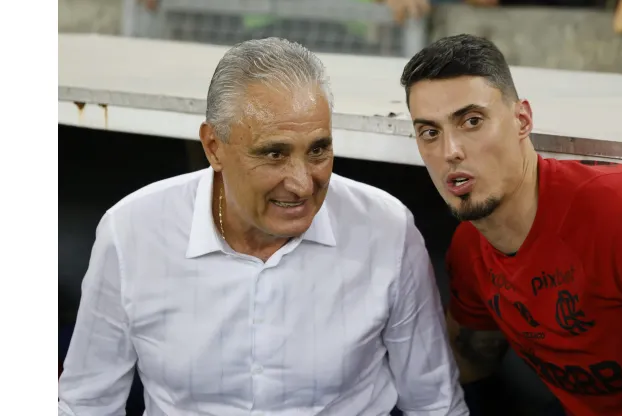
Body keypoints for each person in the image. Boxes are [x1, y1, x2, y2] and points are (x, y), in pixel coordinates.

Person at [58, 37, 468, 416]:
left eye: (318, 150)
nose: (302, 183)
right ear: (213, 147)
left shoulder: (386, 229)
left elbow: (434, 404)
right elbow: (87, 404)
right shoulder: (132, 232)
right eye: (274, 154)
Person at [400, 34, 622, 415]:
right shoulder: (470, 250)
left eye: (472, 121)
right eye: (430, 132)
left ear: (522, 120)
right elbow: (469, 364)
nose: (450, 151)